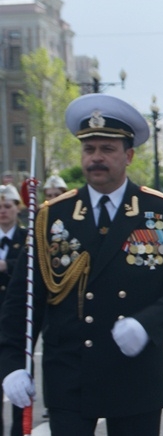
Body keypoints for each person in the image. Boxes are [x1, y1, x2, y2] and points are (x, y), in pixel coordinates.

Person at [0, 93, 163, 436]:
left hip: (135, 372)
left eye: (107, 149)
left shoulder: (162, 212)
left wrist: (147, 325)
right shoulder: (53, 216)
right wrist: (12, 364)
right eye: (89, 149)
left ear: (128, 155)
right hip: (69, 372)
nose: (96, 158)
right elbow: (24, 298)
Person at [0, 185, 25, 436]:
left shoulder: (27, 237)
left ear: (17, 208)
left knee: (19, 381)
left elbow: (34, 264)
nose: (3, 211)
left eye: (7, 206)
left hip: (17, 318)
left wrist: (7, 264)